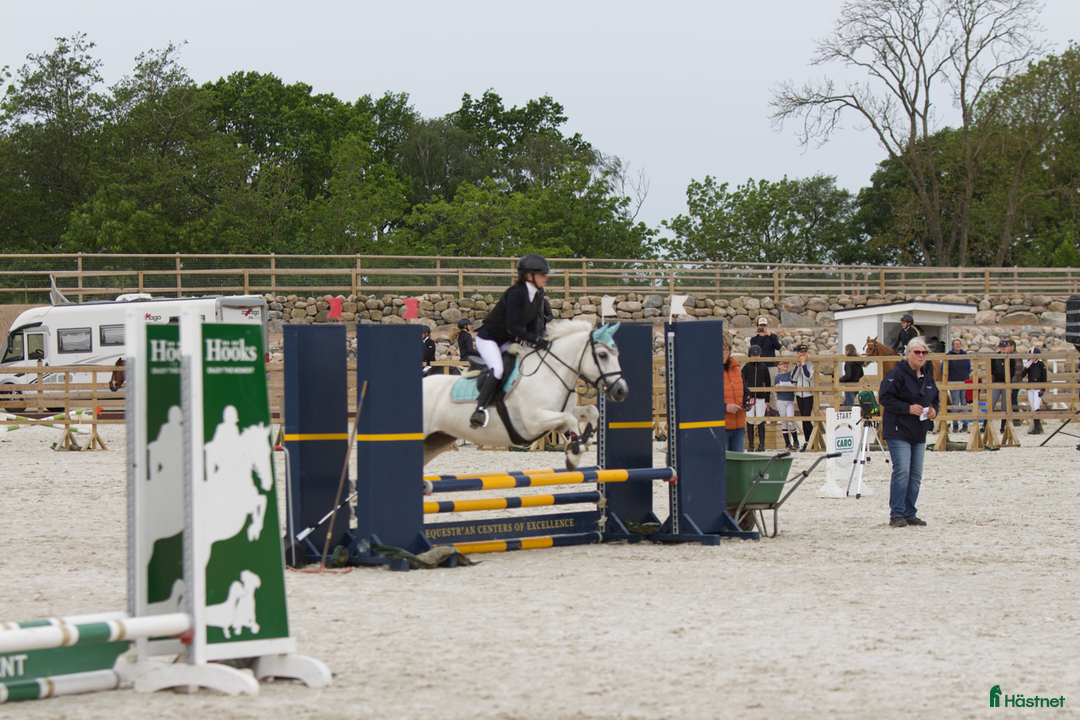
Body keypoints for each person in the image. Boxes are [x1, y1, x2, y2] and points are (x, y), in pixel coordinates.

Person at [470, 254, 551, 428]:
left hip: (507, 341)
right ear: (529, 276)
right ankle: (480, 410)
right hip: (488, 339)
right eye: (542, 274)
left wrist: (537, 343)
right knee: (498, 369)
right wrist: (534, 340)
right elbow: (513, 325)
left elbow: (531, 327)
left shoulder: (537, 298)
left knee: (524, 367)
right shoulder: (516, 293)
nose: (546, 277)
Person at [879, 337, 939, 528]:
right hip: (898, 429)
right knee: (902, 470)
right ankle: (896, 513)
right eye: (917, 352)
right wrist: (907, 408)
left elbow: (935, 397)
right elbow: (884, 397)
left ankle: (909, 512)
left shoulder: (927, 376)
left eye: (924, 353)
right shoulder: (896, 373)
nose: (921, 356)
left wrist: (934, 410)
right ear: (908, 353)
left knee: (915, 474)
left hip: (919, 431)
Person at [742, 344, 771, 452]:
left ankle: (762, 444)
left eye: (757, 355)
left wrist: (767, 400)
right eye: (753, 355)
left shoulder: (764, 367)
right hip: (749, 397)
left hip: (760, 396)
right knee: (749, 419)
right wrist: (744, 397)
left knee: (760, 419)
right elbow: (742, 381)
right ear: (750, 356)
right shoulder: (746, 367)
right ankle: (751, 445)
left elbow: (768, 383)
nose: (755, 357)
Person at [750, 316, 782, 409]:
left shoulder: (772, 337)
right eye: (760, 325)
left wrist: (770, 336)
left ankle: (773, 413)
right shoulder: (754, 339)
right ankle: (761, 412)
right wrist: (761, 338)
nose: (762, 328)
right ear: (757, 327)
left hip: (771, 366)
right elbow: (756, 350)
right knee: (760, 390)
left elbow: (778, 347)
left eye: (764, 325)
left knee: (772, 390)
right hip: (759, 366)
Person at [722, 337, 747, 453]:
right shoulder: (709, 372)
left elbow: (745, 391)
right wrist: (724, 407)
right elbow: (704, 399)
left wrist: (748, 402)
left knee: (737, 465)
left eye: (724, 349)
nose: (721, 353)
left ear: (729, 351)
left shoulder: (737, 369)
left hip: (739, 427)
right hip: (722, 427)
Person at [943, 339, 971, 432]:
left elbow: (969, 367)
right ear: (953, 346)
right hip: (953, 381)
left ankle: (965, 424)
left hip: (964, 381)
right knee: (955, 403)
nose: (958, 346)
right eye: (956, 344)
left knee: (964, 402)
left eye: (959, 344)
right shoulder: (949, 356)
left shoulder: (965, 355)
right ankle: (955, 424)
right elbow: (943, 368)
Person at [792, 343, 815, 451]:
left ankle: (811, 441)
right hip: (799, 393)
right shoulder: (798, 363)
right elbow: (793, 378)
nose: (803, 354)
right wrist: (798, 366)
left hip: (808, 393)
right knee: (803, 418)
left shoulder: (811, 363)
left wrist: (804, 364)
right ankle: (807, 441)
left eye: (804, 352)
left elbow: (808, 376)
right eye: (801, 352)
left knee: (806, 417)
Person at [1021, 347, 1047, 435]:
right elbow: (1022, 375)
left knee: (1036, 407)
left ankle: (1037, 429)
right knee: (1032, 408)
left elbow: (1044, 377)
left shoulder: (1040, 364)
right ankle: (1035, 427)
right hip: (1030, 388)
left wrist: (1043, 389)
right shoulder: (1030, 364)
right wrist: (1026, 366)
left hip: (1038, 388)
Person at [774, 359, 798, 450]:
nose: (785, 365)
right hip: (781, 400)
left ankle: (795, 440)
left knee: (790, 420)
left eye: (786, 363)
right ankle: (787, 443)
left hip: (790, 399)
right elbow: (775, 389)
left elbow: (795, 383)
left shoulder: (791, 374)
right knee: (784, 421)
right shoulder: (777, 377)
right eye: (782, 363)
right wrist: (777, 387)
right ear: (778, 366)